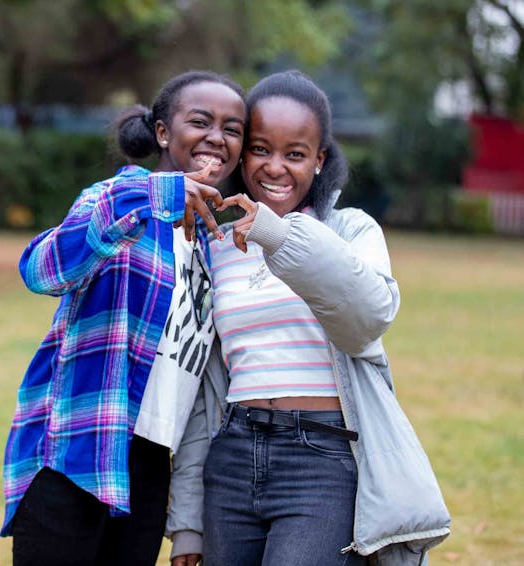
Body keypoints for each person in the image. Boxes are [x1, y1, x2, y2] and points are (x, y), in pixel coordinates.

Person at [166, 70, 450, 565]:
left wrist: (278, 236)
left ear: (319, 160)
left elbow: (368, 316)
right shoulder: (215, 245)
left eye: (294, 154)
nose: (275, 168)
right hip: (231, 453)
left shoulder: (349, 230)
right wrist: (188, 523)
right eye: (260, 149)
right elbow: (200, 388)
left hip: (321, 456)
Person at [0, 70, 246, 566]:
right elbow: (41, 269)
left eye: (233, 128)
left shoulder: (217, 243)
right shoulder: (120, 198)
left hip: (150, 465)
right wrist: (155, 197)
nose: (217, 137)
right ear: (162, 133)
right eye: (201, 121)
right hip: (77, 447)